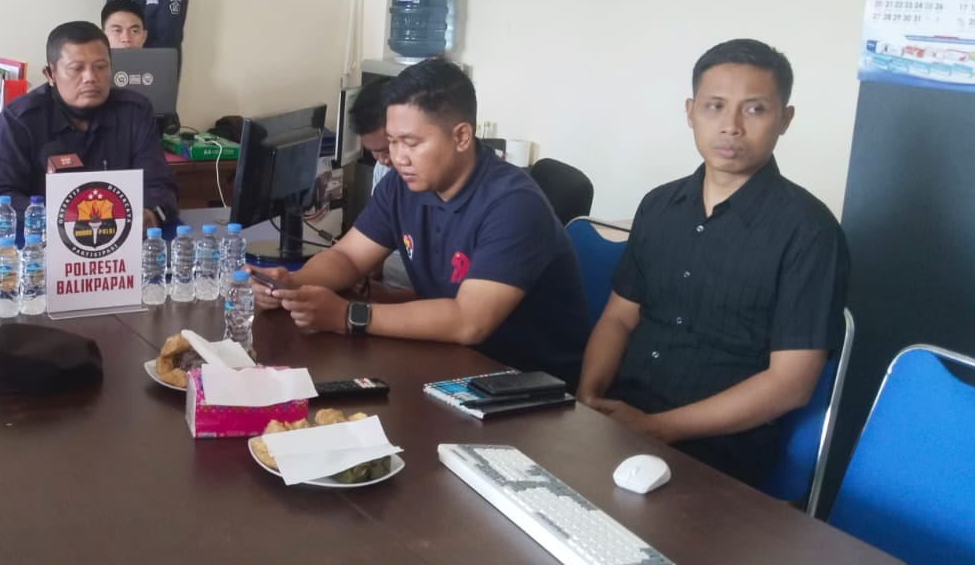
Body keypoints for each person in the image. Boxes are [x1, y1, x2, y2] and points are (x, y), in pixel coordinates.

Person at [576, 39, 849, 486]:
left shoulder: (809, 232)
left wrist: (656, 428)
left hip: (716, 452)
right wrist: (588, 398)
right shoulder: (659, 205)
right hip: (620, 420)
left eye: (755, 109)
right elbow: (619, 318)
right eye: (715, 106)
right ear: (691, 112)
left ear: (785, 119)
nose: (731, 127)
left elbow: (791, 384)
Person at [249, 58, 589, 384]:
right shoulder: (402, 186)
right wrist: (294, 285)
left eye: (411, 143)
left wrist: (348, 314)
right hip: (450, 360)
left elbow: (469, 321)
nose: (398, 158)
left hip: (528, 382)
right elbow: (348, 257)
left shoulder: (514, 204)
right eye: (392, 142)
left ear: (461, 137)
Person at [0, 21, 178, 227]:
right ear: (50, 74)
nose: (90, 78)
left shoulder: (134, 112)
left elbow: (160, 184)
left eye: (101, 67)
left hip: (120, 236)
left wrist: (151, 213)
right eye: (76, 68)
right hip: (43, 238)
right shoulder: (21, 118)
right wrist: (59, 218)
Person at [347, 80, 411, 292]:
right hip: (388, 287)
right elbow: (374, 239)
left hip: (414, 299)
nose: (384, 159)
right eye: (374, 152)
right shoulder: (385, 172)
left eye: (386, 149)